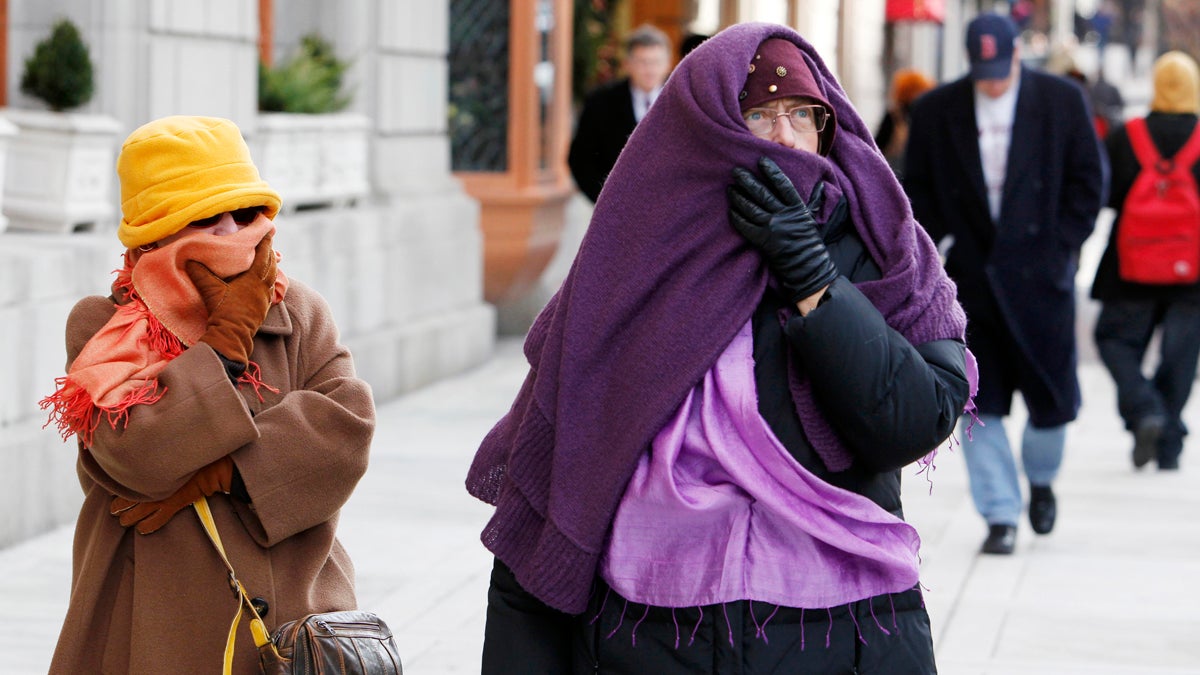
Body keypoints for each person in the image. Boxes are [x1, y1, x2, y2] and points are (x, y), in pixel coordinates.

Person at [467, 22, 973, 673]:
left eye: (803, 113)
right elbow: (560, 479)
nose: (787, 136)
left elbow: (915, 417)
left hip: (836, 633)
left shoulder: (882, 247)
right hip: (649, 634)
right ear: (706, 126)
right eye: (760, 114)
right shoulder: (628, 261)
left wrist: (814, 276)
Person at [40, 116, 376, 673]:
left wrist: (224, 473)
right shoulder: (106, 326)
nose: (230, 232)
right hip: (148, 626)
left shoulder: (298, 311)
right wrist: (224, 343)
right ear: (155, 233)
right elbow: (134, 451)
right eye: (204, 217)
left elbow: (346, 429)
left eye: (244, 213)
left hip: (292, 629)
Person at [903, 13, 1107, 555]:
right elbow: (914, 191)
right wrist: (939, 250)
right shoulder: (936, 111)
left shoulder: (1061, 101)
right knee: (979, 401)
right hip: (971, 282)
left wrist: (1062, 246)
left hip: (1042, 278)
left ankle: (1040, 479)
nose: (991, 81)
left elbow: (1090, 180)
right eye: (982, 71)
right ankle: (1000, 515)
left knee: (1052, 403)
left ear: (1018, 55)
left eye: (1000, 69)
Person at [1091, 51, 1200, 471]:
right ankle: (1168, 444)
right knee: (1180, 357)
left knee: (1115, 340)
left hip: (1130, 268)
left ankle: (1143, 408)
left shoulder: (1127, 135)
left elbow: (1107, 195)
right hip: (1191, 272)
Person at [568, 24, 672, 203]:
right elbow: (580, 159)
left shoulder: (682, 102)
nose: (650, 70)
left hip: (670, 208)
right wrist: (606, 201)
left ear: (668, 63)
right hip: (616, 209)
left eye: (656, 62)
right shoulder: (600, 102)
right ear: (628, 64)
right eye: (642, 62)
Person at [873, 67, 936, 178]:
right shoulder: (895, 116)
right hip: (898, 175)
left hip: (898, 175)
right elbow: (879, 145)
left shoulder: (927, 117)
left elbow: (877, 146)